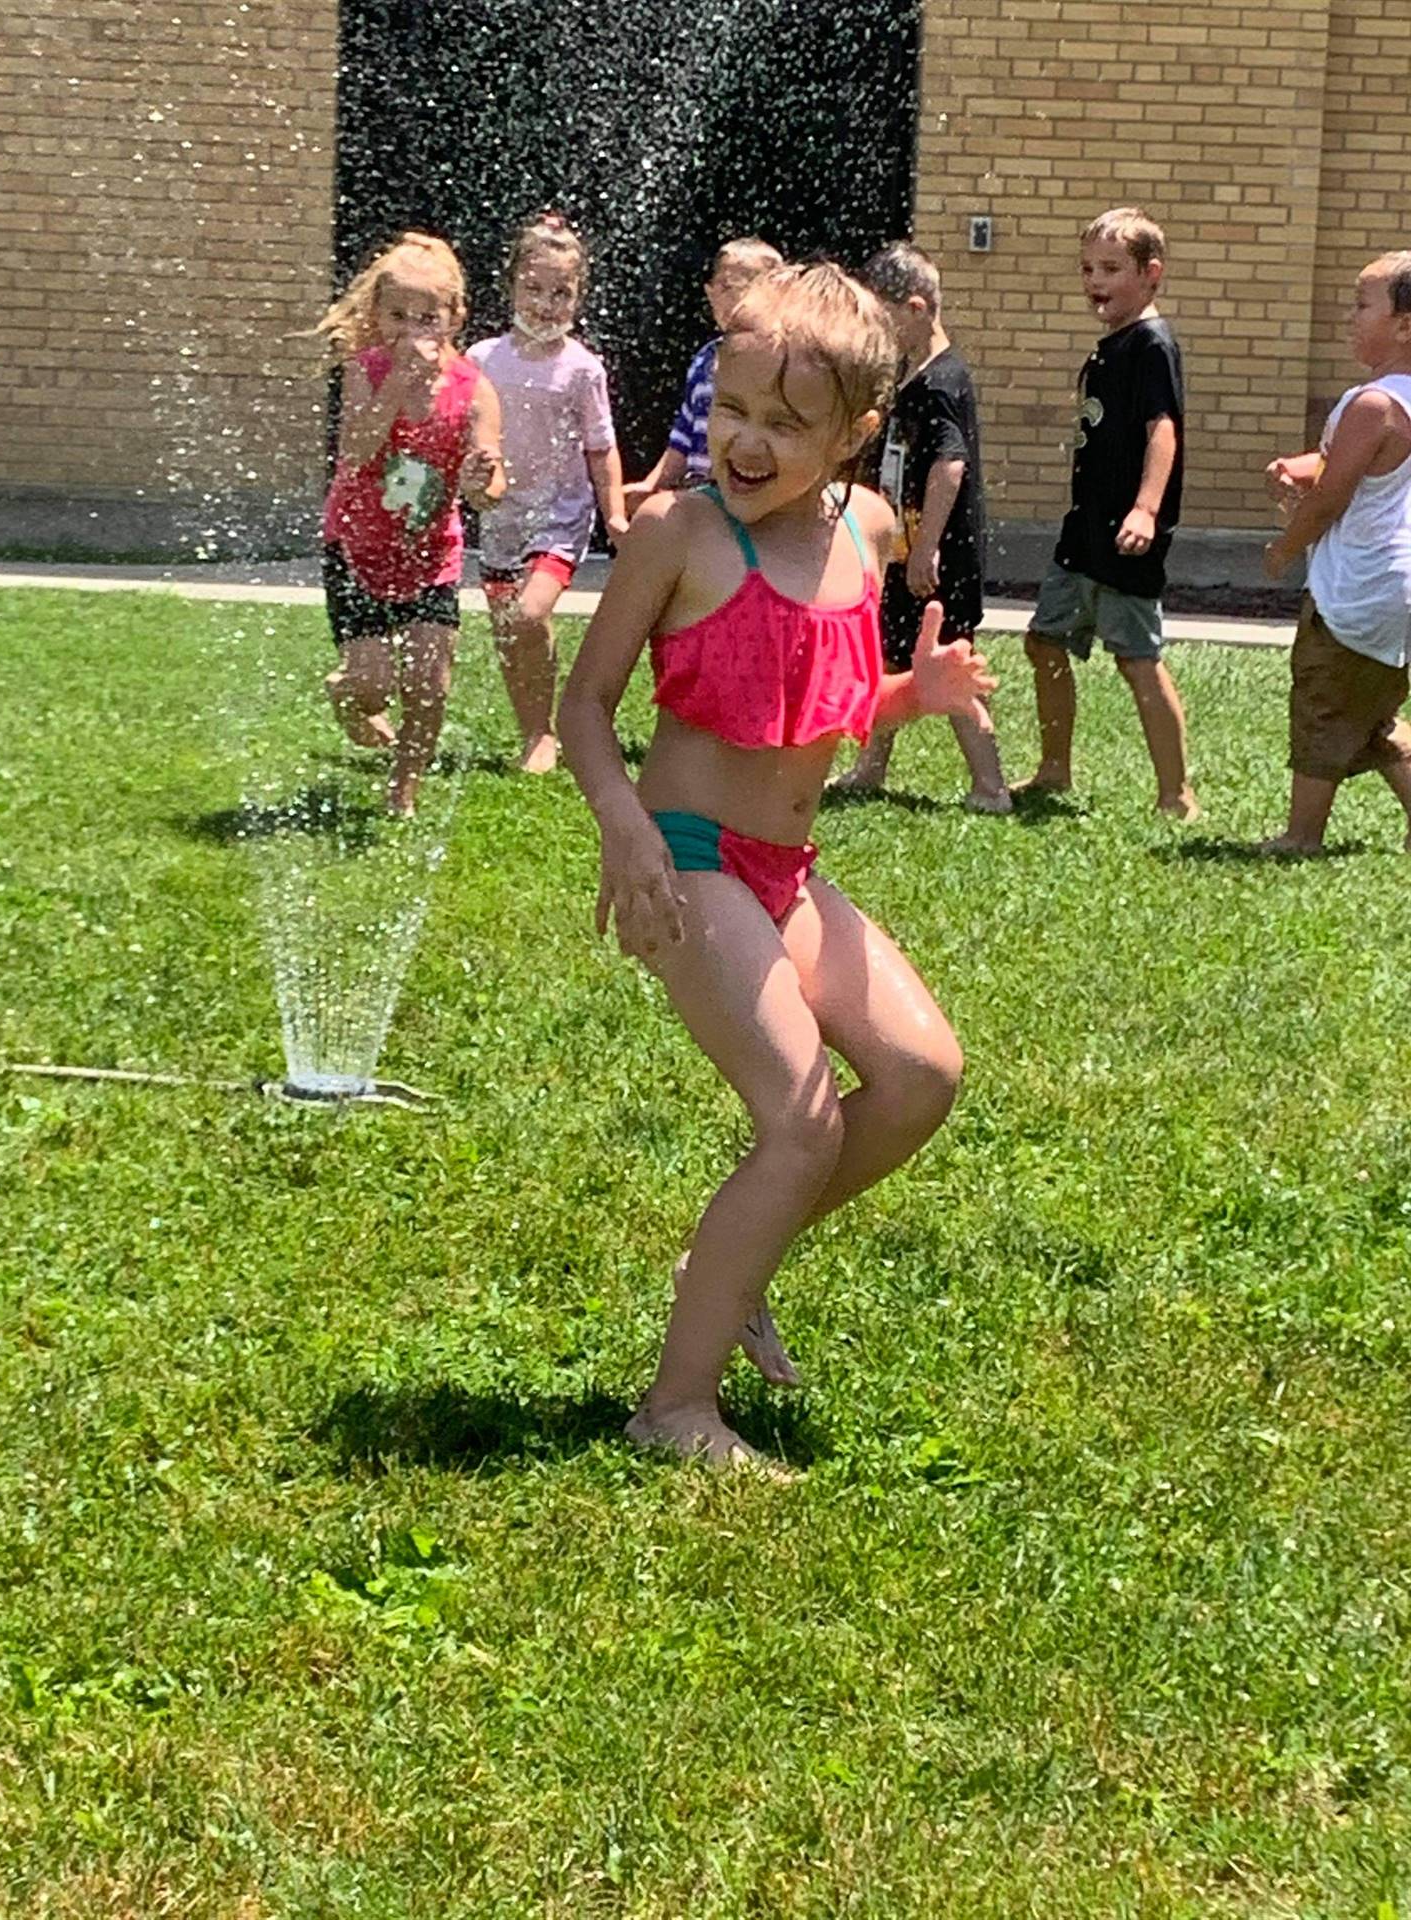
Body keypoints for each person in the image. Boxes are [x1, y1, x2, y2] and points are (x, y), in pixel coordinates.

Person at [559, 263, 996, 1470]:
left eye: (785, 426)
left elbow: (830, 708)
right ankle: (674, 1410)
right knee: (799, 1125)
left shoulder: (865, 529)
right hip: (690, 860)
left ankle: (741, 1257)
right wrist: (624, 828)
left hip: (785, 867)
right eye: (733, 410)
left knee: (919, 1077)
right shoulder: (678, 534)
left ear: (856, 436)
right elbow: (586, 705)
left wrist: (923, 695)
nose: (746, 444)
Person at [1018, 208, 1199, 819]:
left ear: (1152, 274)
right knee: (1044, 641)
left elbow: (1163, 429)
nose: (1095, 281)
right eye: (1088, 268)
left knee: (1137, 658)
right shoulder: (1112, 347)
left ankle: (1178, 795)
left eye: (1111, 269)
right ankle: (1053, 769)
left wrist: (1146, 510)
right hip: (1086, 530)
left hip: (1128, 534)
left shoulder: (1151, 344)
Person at [317, 231, 504, 817]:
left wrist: (482, 482)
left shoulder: (474, 390)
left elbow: (491, 483)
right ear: (376, 313)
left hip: (431, 553)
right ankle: (349, 696)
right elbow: (355, 449)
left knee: (430, 684)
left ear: (455, 318)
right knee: (372, 683)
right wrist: (398, 384)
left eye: (428, 317)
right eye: (397, 315)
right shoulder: (365, 371)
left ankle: (405, 785)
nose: (412, 329)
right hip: (355, 544)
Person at [835, 243, 1009, 808]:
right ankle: (871, 767)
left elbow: (949, 464)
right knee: (887, 656)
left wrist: (925, 547)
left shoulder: (937, 384)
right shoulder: (925, 376)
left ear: (914, 308)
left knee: (950, 663)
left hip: (936, 554)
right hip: (916, 549)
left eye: (882, 318)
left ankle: (990, 786)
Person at [1262, 251, 1411, 853]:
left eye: (1360, 305)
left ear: (1405, 325)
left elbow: (1329, 499)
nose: (1349, 318)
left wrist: (1284, 550)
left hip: (1360, 587)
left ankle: (1302, 837)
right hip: (1398, 590)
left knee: (1323, 703)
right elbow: (1362, 467)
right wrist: (1301, 466)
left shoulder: (1371, 404)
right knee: (1371, 718)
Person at [468, 213, 627, 774]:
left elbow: (600, 448)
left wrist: (614, 515)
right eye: (533, 289)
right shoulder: (483, 360)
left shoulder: (582, 369)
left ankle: (548, 732)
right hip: (500, 518)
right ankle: (535, 731)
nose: (546, 303)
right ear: (510, 285)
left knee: (530, 614)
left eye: (561, 292)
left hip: (559, 518)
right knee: (511, 634)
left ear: (578, 296)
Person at [624, 236, 785, 513]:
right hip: (702, 497)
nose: (737, 298)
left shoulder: (782, 363)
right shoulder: (704, 359)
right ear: (710, 293)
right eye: (726, 286)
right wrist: (653, 485)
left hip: (754, 498)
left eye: (751, 286)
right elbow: (683, 436)